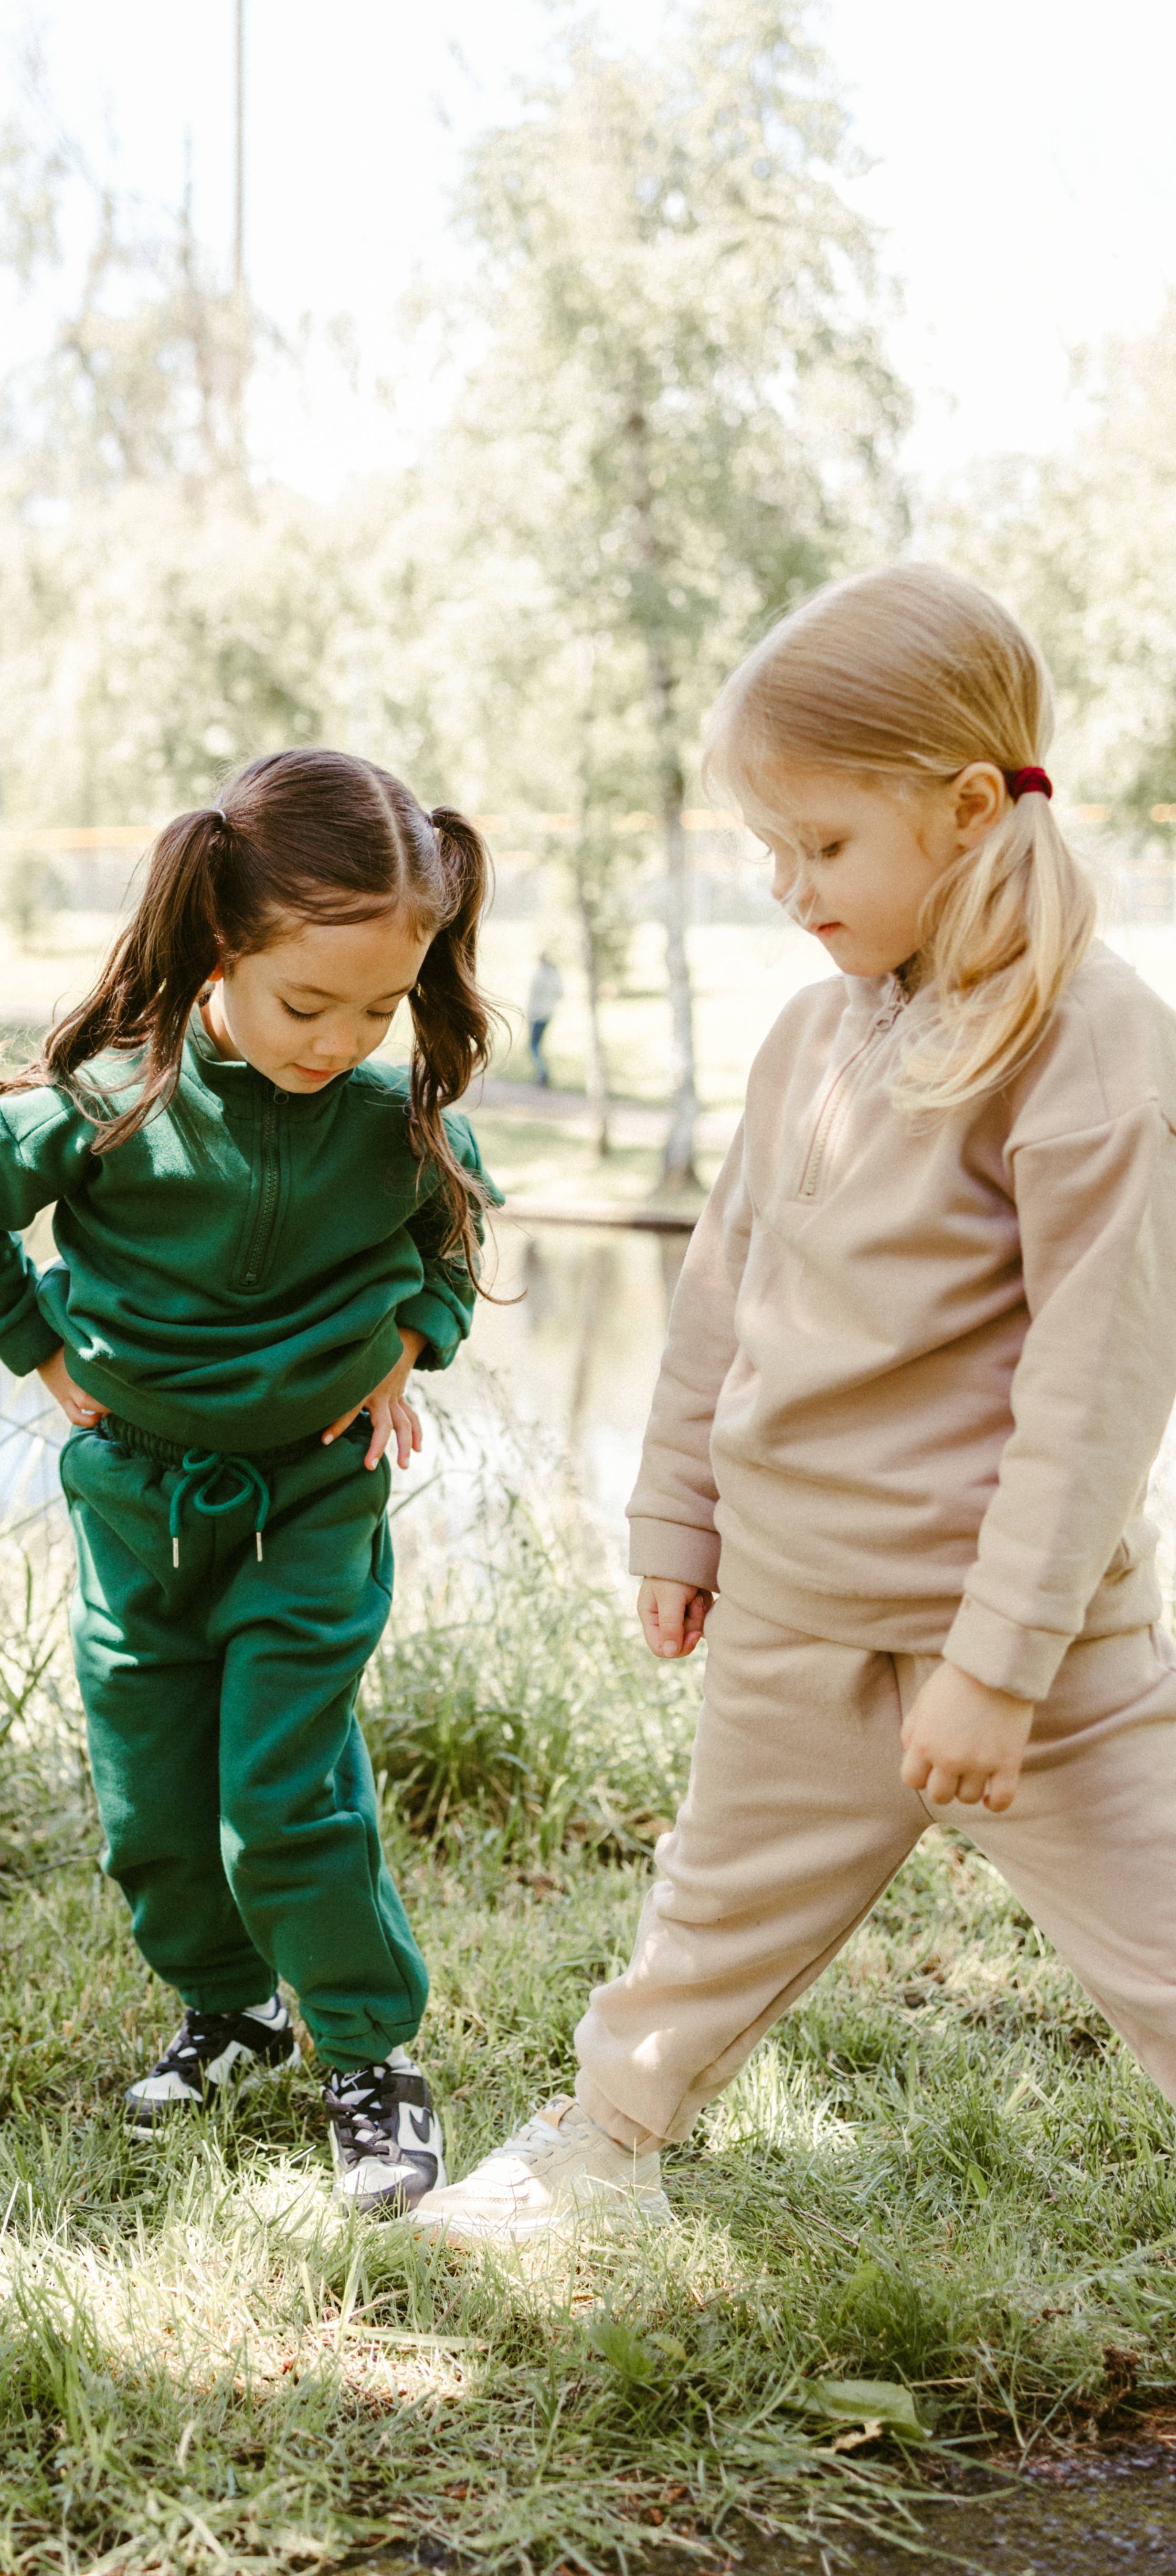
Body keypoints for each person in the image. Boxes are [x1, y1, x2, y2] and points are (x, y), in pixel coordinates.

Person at [411, 563, 1176, 2242]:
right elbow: (718, 1300)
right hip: (791, 1607)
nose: (785, 887)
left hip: (1024, 1654)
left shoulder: (1090, 1048)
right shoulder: (806, 1042)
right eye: (770, 849)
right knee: (705, 1921)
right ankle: (598, 2153)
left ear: (966, 808)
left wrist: (992, 1666)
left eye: (820, 846)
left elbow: (1092, 1389)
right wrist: (676, 1513)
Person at [0, 748, 500, 2214]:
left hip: (314, 1498)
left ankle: (371, 2057)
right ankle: (235, 2010)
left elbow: (456, 1235)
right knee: (152, 1810)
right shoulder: (108, 1098)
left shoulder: (391, 1117)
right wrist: (39, 1350)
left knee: (281, 1793)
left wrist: (415, 1338)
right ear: (222, 945)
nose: (342, 1037)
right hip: (135, 1502)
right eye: (310, 1002)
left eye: (379, 1007)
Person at [526, 949, 564, 1086]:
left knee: (534, 1046)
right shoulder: (554, 975)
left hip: (537, 1015)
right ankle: (542, 1073)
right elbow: (560, 994)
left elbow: (533, 997)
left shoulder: (539, 975)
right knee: (537, 1045)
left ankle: (543, 1073)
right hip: (548, 1014)